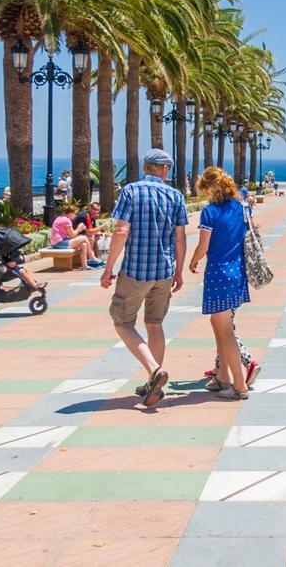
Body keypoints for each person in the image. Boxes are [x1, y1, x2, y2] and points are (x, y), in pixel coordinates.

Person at [99, 149, 188, 407]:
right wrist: (179, 271)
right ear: (163, 169)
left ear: (147, 167)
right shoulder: (175, 196)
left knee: (122, 322)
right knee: (154, 324)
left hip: (136, 271)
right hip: (164, 272)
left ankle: (154, 370)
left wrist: (108, 268)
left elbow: (121, 230)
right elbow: (180, 237)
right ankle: (153, 383)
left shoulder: (131, 191)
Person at [188, 167, 253, 400]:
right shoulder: (240, 208)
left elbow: (203, 246)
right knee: (218, 326)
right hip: (237, 272)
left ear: (210, 188)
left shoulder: (210, 212)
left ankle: (239, 385)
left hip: (218, 274)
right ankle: (223, 376)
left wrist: (193, 261)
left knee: (225, 331)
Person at [51, 203, 103, 269]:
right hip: (59, 243)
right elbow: (73, 235)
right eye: (74, 214)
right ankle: (91, 257)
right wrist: (79, 228)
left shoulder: (60, 218)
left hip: (58, 242)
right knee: (84, 238)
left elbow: (68, 234)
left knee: (83, 245)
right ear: (70, 213)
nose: (75, 216)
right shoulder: (66, 220)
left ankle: (85, 266)